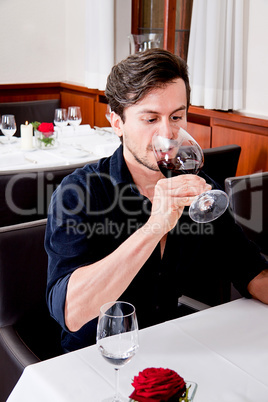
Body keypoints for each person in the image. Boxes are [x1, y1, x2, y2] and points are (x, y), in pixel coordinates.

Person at [45, 49, 268, 352]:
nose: (168, 133)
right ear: (117, 122)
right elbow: (72, 312)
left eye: (176, 116)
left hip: (170, 347)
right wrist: (154, 227)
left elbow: (251, 271)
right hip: (96, 359)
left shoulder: (198, 190)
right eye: (150, 118)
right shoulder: (78, 193)